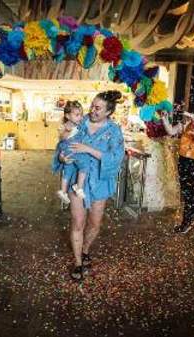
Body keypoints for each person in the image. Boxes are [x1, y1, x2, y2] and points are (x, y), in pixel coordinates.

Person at [53, 90, 125, 281]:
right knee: (78, 223)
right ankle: (78, 263)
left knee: (95, 224)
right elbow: (62, 142)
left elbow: (117, 157)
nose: (92, 110)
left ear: (108, 112)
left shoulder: (114, 130)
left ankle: (85, 249)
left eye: (97, 108)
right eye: (92, 105)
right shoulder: (79, 121)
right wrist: (62, 157)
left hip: (100, 182)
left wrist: (89, 149)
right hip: (78, 178)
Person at [161, 96, 194, 234]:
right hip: (185, 160)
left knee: (190, 192)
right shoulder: (187, 122)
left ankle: (186, 222)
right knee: (187, 192)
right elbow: (171, 131)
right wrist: (164, 119)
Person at [53, 100, 90, 204]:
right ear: (68, 116)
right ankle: (79, 186)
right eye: (77, 115)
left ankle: (63, 191)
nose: (81, 117)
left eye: (81, 114)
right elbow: (62, 138)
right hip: (73, 150)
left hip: (67, 152)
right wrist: (67, 131)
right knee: (85, 165)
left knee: (68, 171)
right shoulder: (67, 126)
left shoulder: (76, 125)